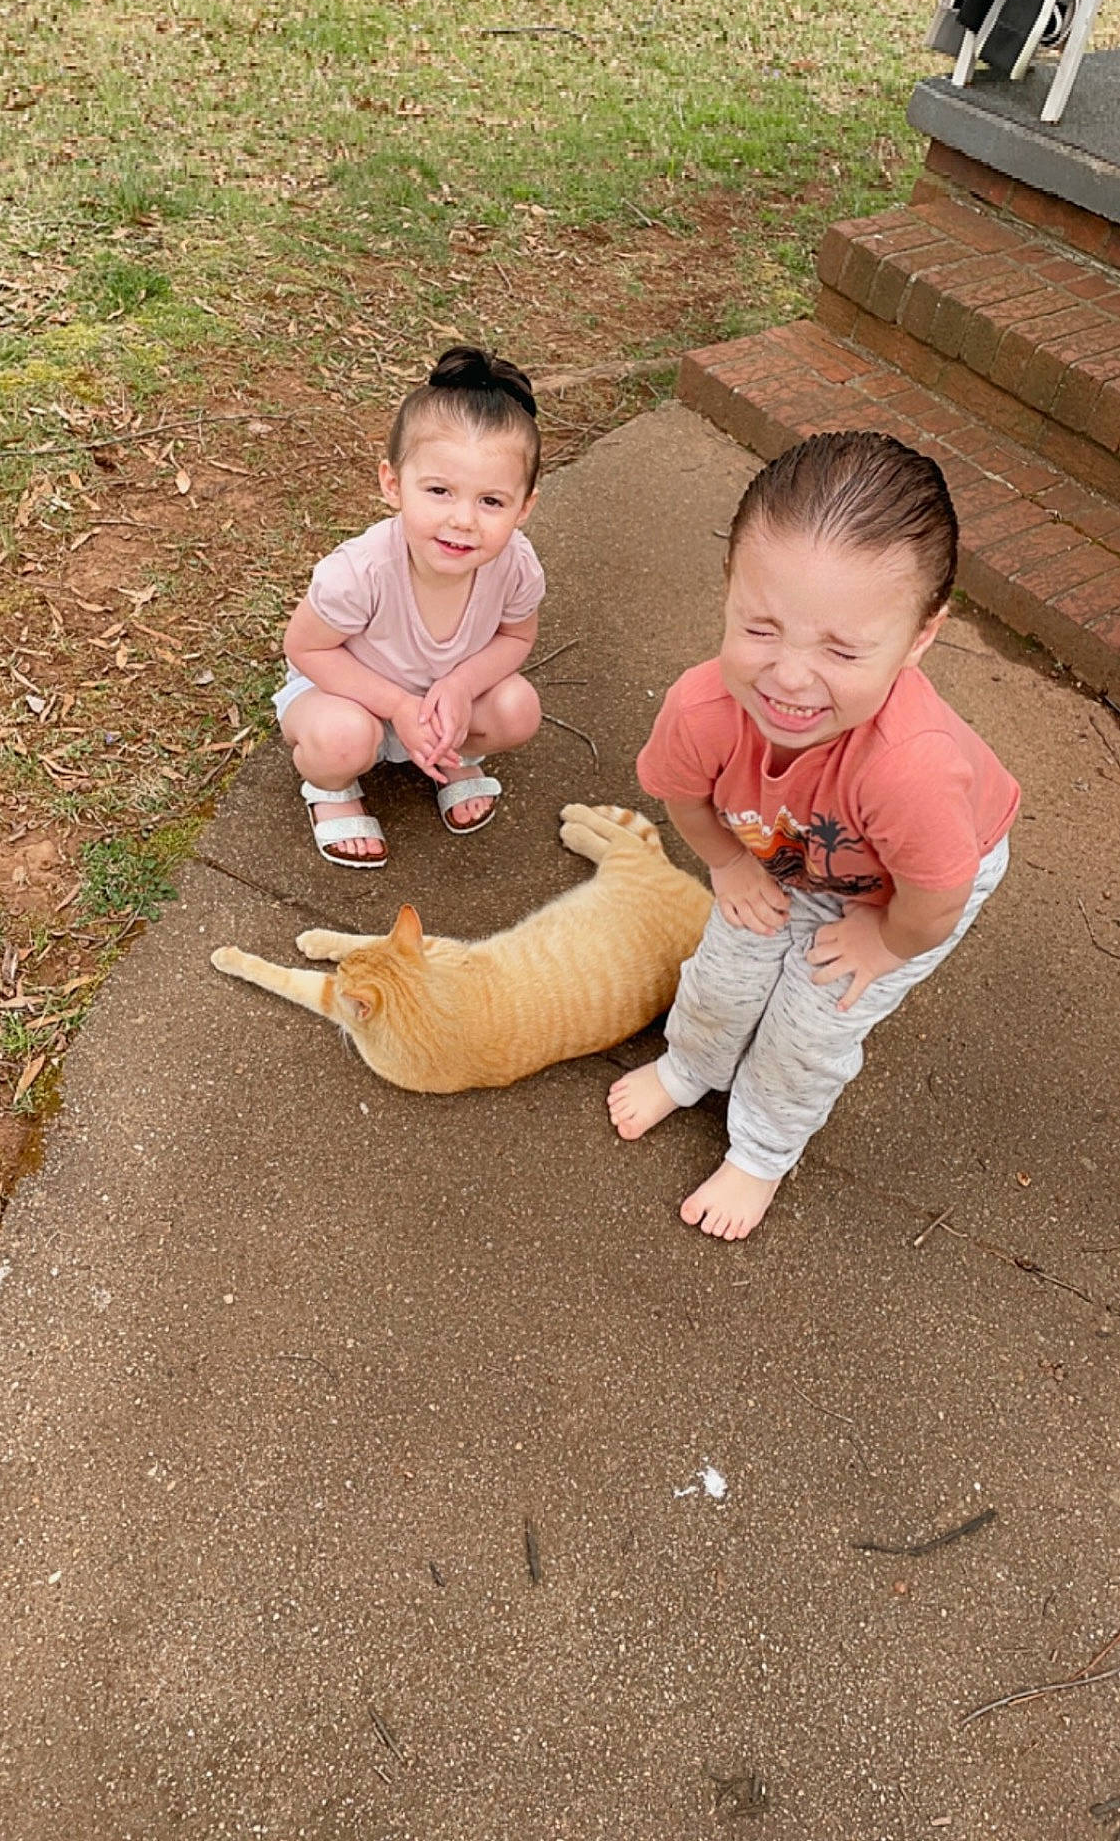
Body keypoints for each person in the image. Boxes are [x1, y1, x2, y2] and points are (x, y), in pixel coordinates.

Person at [608, 430, 1020, 1242]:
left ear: (920, 637)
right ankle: (692, 1066)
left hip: (911, 889)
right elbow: (685, 797)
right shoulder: (702, 709)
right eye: (759, 628)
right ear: (728, 588)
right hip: (785, 850)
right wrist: (725, 863)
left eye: (841, 648)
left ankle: (761, 1149)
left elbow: (937, 896)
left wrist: (884, 941)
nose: (789, 676)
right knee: (725, 969)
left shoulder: (910, 769)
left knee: (812, 1018)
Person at [275, 347, 544, 867]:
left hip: (443, 699)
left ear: (524, 506)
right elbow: (305, 647)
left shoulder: (515, 564)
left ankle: (455, 755)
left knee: (518, 707)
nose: (463, 520)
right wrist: (398, 706)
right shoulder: (362, 570)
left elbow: (517, 636)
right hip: (349, 696)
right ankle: (332, 790)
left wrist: (462, 687)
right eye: (439, 490)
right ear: (393, 484)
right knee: (343, 739)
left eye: (491, 501)